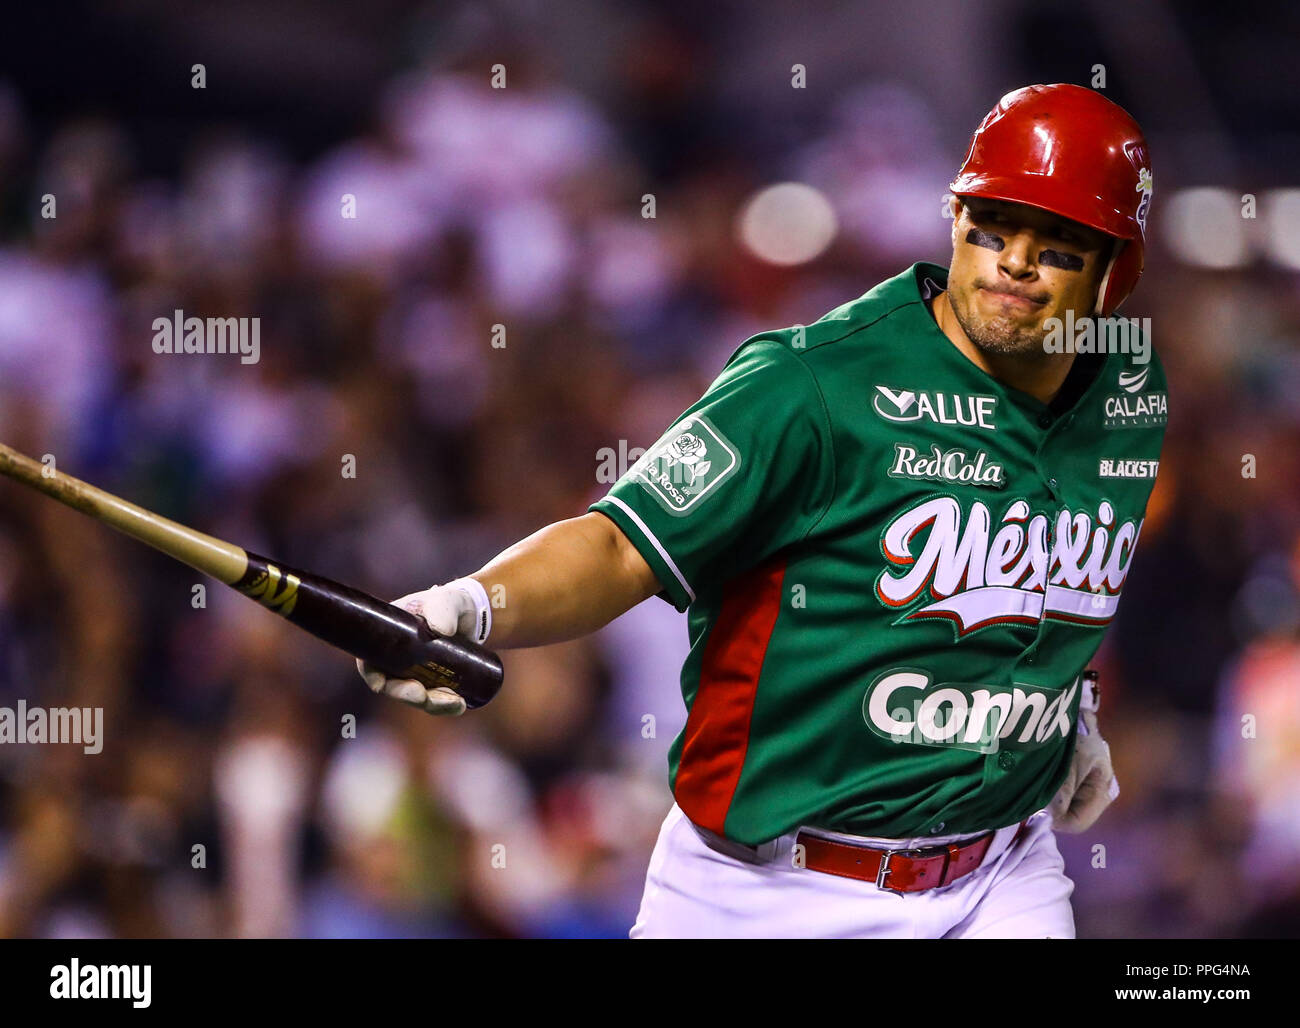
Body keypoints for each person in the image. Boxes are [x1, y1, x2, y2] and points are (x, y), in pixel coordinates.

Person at [358, 83, 1166, 938]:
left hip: (1003, 872)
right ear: (956, 218)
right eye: (993, 224)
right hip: (769, 889)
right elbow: (619, 546)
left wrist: (1061, 710)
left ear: (1118, 270)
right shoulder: (813, 386)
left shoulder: (1130, 393)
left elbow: (1056, 577)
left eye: (1059, 242)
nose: (1014, 259)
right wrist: (471, 607)